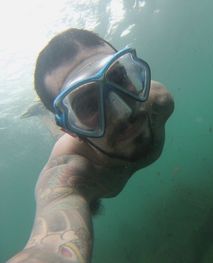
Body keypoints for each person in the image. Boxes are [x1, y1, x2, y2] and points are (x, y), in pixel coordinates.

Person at [8, 28, 174, 263]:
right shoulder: (69, 173)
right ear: (71, 130)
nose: (123, 113)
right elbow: (49, 246)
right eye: (87, 104)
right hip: (75, 142)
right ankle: (46, 116)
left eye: (119, 78)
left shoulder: (159, 100)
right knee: (58, 136)